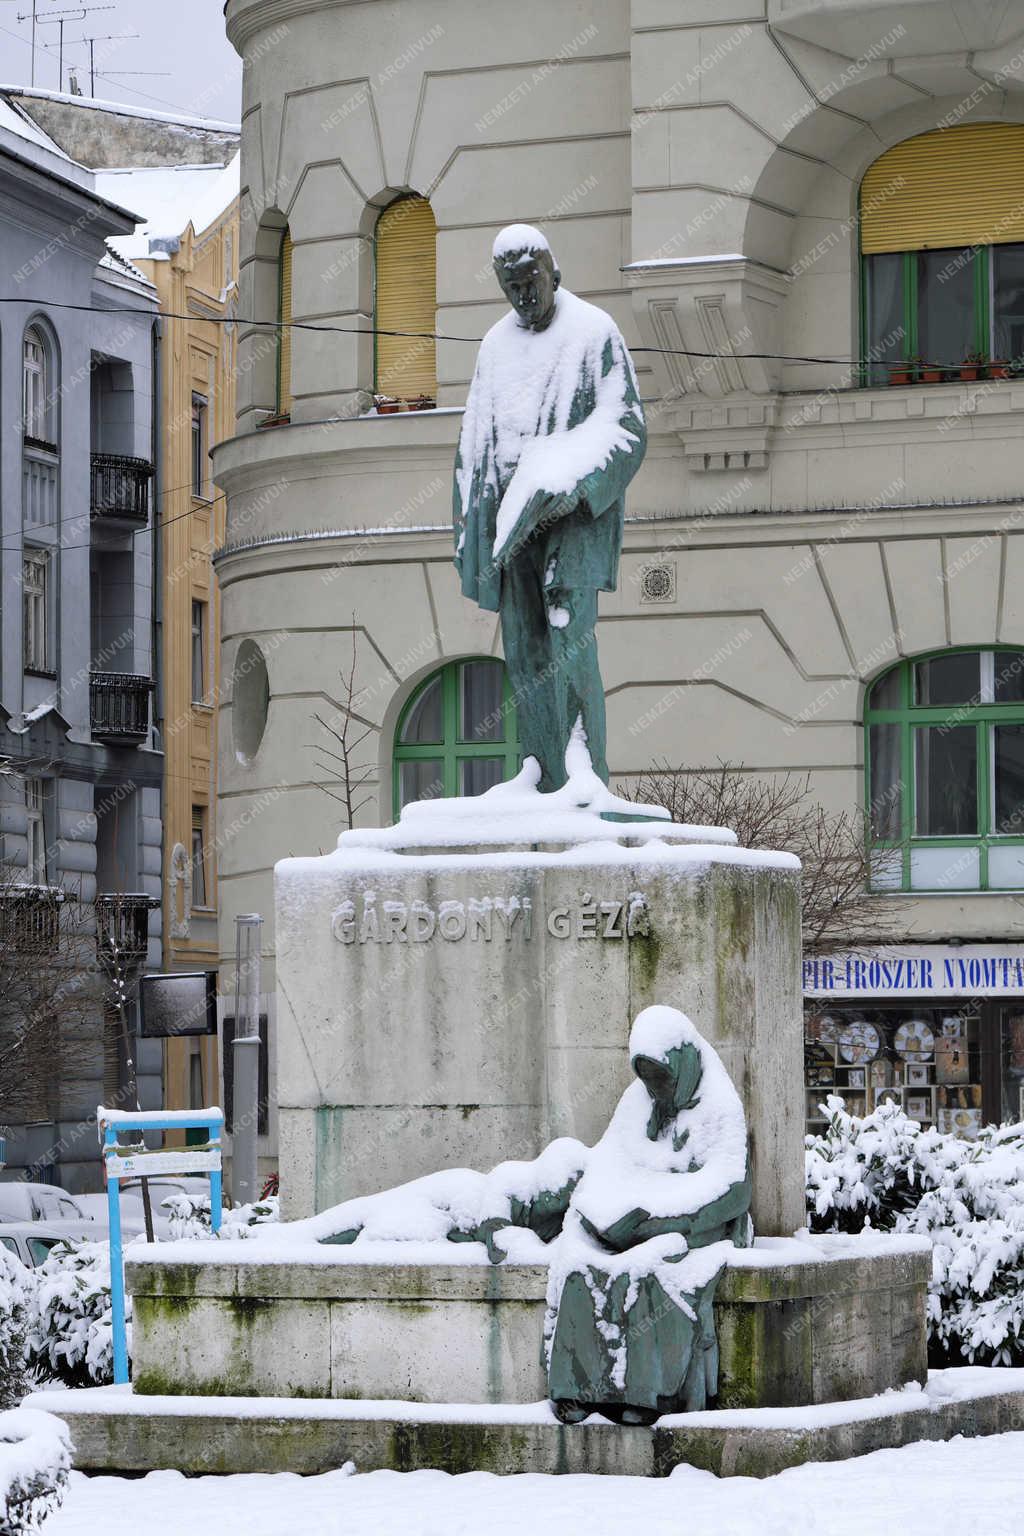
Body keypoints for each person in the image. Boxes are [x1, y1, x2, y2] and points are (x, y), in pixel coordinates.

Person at [453, 223, 646, 791]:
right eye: (510, 286)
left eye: (530, 281)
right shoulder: (495, 346)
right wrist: (474, 525)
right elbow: (474, 444)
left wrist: (574, 485)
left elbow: (627, 428)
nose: (523, 295)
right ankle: (541, 770)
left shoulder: (593, 333)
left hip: (570, 524)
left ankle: (583, 773)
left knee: (569, 642)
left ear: (553, 272)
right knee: (523, 651)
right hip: (513, 531)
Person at [545, 1006, 751, 1424]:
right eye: (648, 1077)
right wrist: (602, 1216)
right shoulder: (636, 1104)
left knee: (651, 1274)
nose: (655, 1087)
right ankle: (577, 1389)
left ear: (683, 1061)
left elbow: (732, 1188)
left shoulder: (719, 1107)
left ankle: (645, 1393)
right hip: (633, 1228)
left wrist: (666, 1221)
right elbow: (606, 1164)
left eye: (662, 1075)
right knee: (580, 1269)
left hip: (697, 1229)